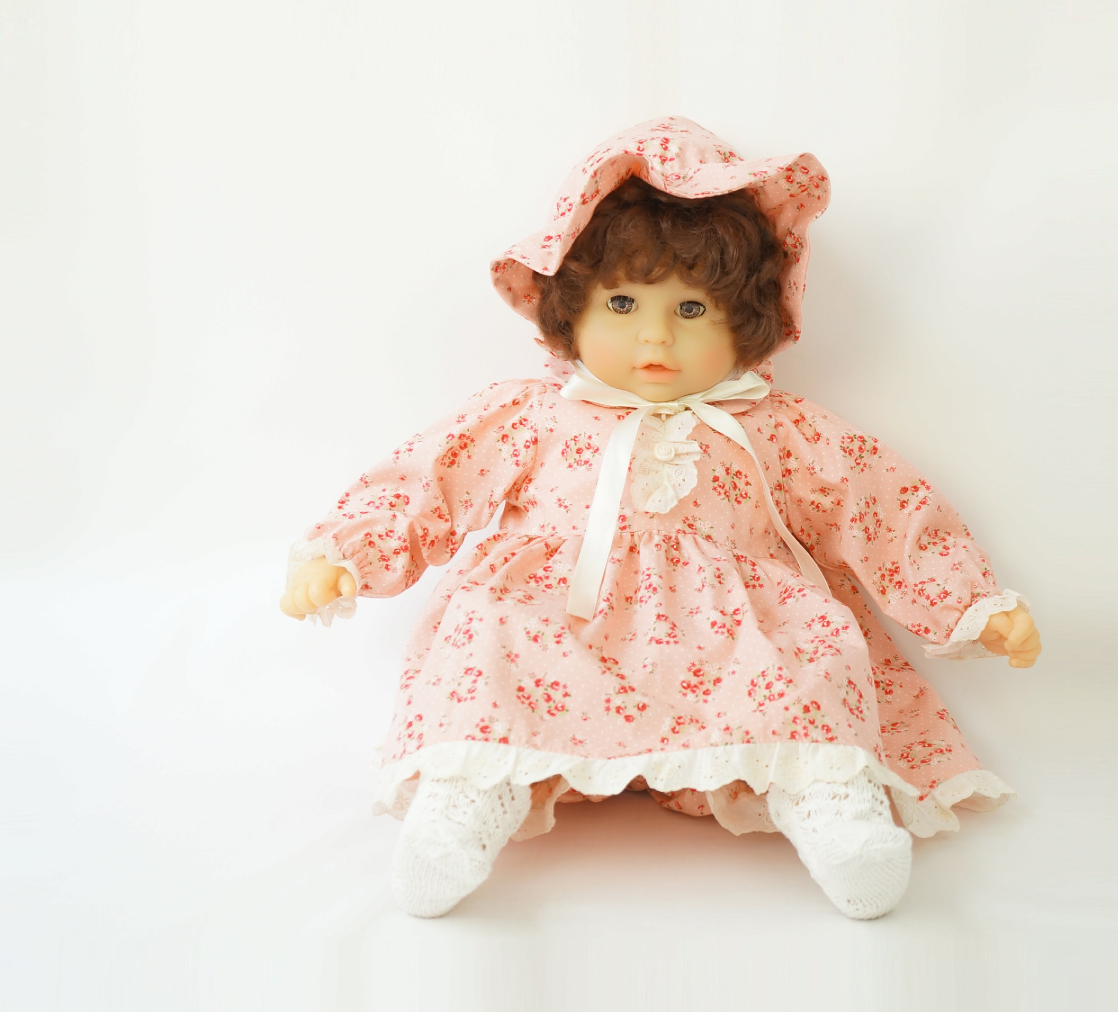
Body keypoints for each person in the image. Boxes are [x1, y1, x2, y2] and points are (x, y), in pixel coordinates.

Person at [280, 117, 1041, 919]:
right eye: (621, 302)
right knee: (487, 635)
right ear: (568, 307)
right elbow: (432, 479)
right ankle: (464, 802)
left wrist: (967, 600)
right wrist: (349, 554)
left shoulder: (776, 427)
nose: (654, 335)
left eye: (691, 308)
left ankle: (831, 806)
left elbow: (879, 507)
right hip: (557, 619)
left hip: (732, 634)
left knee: (810, 657)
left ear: (748, 319)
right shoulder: (532, 415)